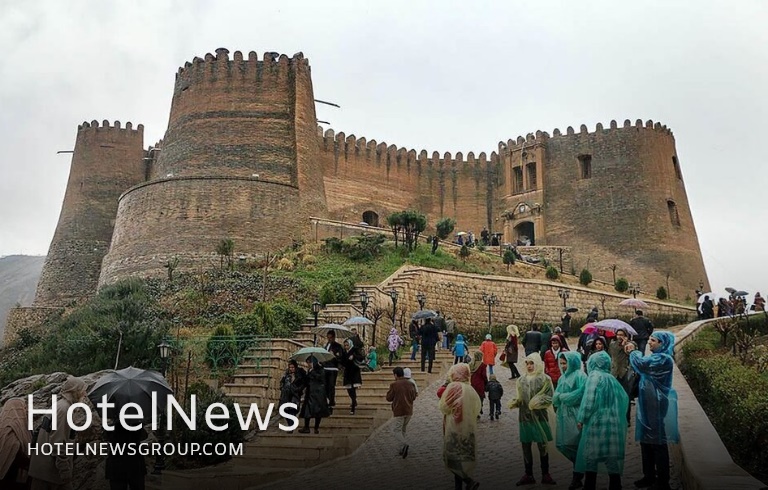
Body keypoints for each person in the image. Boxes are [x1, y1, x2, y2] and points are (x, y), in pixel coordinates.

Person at [626, 331, 679, 490]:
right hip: (646, 403)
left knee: (657, 442)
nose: (649, 342)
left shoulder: (664, 359)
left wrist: (632, 350)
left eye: (653, 340)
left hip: (656, 405)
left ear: (663, 344)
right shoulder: (656, 357)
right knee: (645, 441)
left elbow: (642, 364)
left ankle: (663, 481)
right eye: (649, 339)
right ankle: (648, 476)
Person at [575, 351, 629, 490]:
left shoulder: (594, 377)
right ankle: (616, 485)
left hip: (597, 422)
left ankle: (589, 486)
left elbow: (588, 400)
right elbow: (623, 398)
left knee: (591, 455)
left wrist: (581, 418)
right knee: (610, 456)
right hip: (613, 422)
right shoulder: (611, 378)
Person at [29, 376, 87, 490]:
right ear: (75, 391)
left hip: (43, 469)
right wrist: (65, 472)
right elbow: (58, 443)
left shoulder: (60, 405)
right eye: (82, 390)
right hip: (50, 472)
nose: (85, 394)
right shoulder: (65, 410)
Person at [509, 353, 556, 486]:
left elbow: (549, 397)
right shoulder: (521, 380)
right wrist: (516, 402)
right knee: (526, 445)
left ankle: (545, 474)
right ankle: (528, 474)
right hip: (525, 418)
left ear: (537, 364)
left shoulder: (545, 379)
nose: (529, 366)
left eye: (532, 363)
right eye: (527, 363)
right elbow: (520, 397)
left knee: (542, 444)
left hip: (540, 417)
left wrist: (538, 402)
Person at [438, 363, 481, 490]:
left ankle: (468, 481)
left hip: (454, 429)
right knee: (462, 459)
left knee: (452, 460)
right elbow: (476, 409)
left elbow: (444, 406)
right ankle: (462, 484)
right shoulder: (470, 389)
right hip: (468, 429)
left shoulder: (454, 387)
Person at [553, 351, 587, 490]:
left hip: (576, 414)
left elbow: (581, 394)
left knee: (577, 444)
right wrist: (558, 399)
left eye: (565, 363)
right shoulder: (562, 378)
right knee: (565, 443)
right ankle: (578, 470)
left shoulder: (580, 375)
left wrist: (562, 397)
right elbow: (556, 395)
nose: (563, 366)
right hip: (564, 414)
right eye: (561, 363)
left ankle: (577, 476)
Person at [104, 421, 147, 490]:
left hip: (117, 466)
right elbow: (144, 436)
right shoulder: (136, 426)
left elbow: (106, 437)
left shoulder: (112, 427)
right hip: (135, 464)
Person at [386, 367, 418, 459]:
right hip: (409, 410)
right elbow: (414, 396)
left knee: (396, 430)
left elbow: (389, 398)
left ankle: (405, 444)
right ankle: (402, 448)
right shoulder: (411, 384)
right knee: (403, 429)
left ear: (395, 375)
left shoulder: (394, 385)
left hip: (399, 410)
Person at [0, 398, 32, 490]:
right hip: (10, 479)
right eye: (24, 408)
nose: (26, 410)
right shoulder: (11, 431)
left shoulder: (20, 427)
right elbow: (14, 450)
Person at [608, 328, 636, 424]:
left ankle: (626, 418)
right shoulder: (612, 344)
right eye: (618, 334)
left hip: (624, 373)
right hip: (614, 373)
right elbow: (611, 356)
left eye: (621, 335)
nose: (619, 336)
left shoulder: (631, 344)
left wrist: (626, 345)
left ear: (626, 335)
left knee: (625, 396)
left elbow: (631, 352)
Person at [298, 356, 331, 433]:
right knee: (307, 410)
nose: (308, 364)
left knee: (318, 411)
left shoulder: (320, 369)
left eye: (310, 362)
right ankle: (306, 427)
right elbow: (307, 381)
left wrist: (312, 372)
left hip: (318, 393)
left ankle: (316, 428)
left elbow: (321, 378)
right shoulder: (309, 370)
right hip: (310, 393)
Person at [279, 360, 306, 429]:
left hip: (295, 395)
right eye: (290, 367)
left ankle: (291, 426)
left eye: (293, 367)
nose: (291, 369)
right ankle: (291, 424)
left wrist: (298, 389)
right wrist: (282, 388)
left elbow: (303, 384)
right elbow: (282, 382)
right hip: (286, 395)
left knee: (292, 409)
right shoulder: (286, 375)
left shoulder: (299, 375)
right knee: (285, 410)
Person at [341, 338, 363, 415]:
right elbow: (342, 362)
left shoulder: (355, 350)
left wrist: (354, 356)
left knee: (353, 389)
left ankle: (353, 405)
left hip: (354, 371)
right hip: (347, 372)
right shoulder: (344, 352)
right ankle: (354, 401)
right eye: (345, 345)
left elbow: (361, 357)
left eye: (347, 345)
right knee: (349, 389)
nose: (346, 347)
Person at [323, 331, 344, 408]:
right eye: (328, 338)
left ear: (334, 337)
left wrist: (334, 356)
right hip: (325, 368)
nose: (329, 339)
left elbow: (341, 358)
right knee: (325, 385)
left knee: (331, 385)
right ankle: (327, 400)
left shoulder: (338, 346)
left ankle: (331, 402)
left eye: (331, 337)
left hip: (333, 368)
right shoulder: (326, 346)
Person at [469, 351, 488, 416]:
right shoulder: (482, 365)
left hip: (472, 383)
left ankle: (475, 410)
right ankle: (479, 408)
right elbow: (484, 375)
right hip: (480, 383)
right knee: (480, 397)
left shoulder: (471, 364)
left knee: (473, 398)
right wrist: (486, 382)